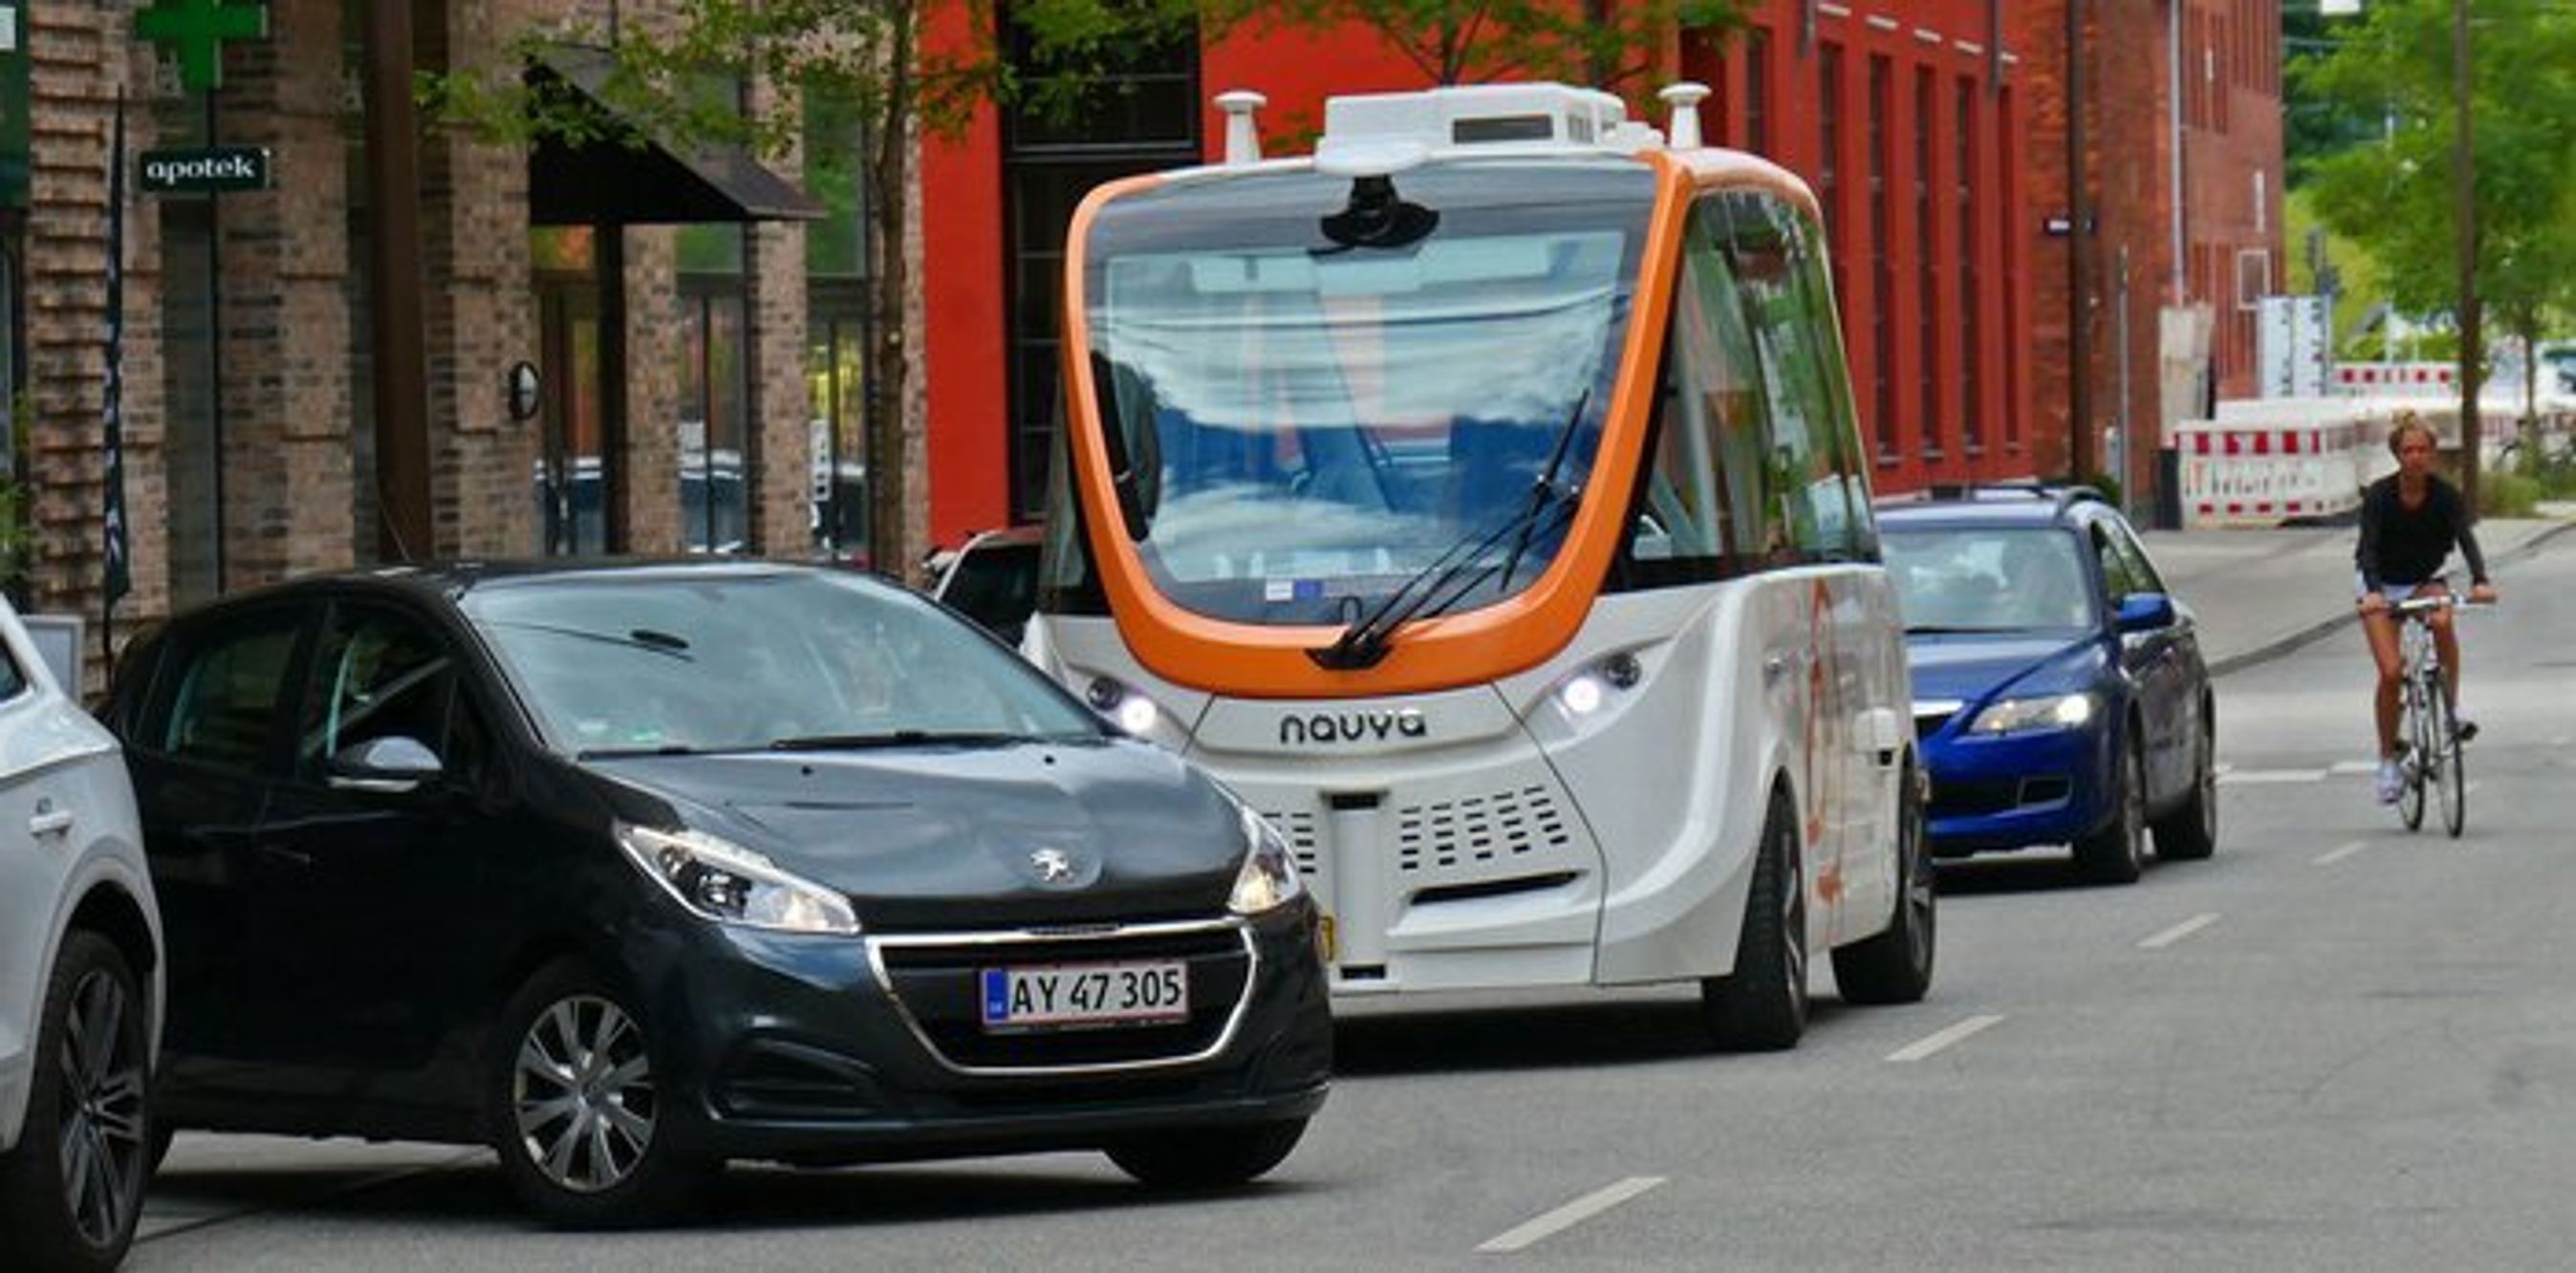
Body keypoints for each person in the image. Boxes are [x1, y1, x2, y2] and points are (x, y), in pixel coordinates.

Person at [2355, 411, 2499, 804]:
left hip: (2423, 579)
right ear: (2397, 455)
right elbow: (2366, 548)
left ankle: (2453, 708)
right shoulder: (2381, 497)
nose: (2415, 457)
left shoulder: (2445, 497)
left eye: (2422, 450)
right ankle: (2387, 760)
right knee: (2390, 672)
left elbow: (2466, 541)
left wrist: (2481, 580)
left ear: (2433, 454)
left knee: (2442, 618)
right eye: (2407, 450)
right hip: (2380, 584)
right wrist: (2372, 593)